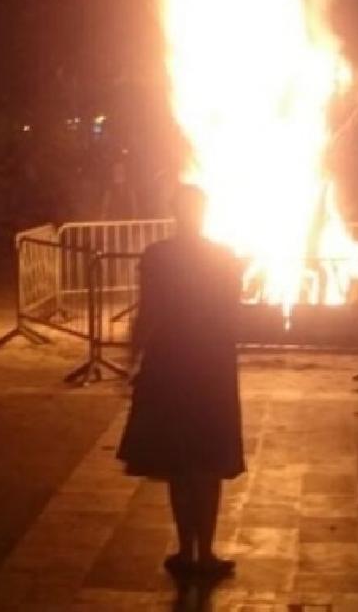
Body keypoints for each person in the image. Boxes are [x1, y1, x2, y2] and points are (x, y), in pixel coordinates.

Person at [117, 185, 244, 579]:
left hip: (171, 360)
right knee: (207, 458)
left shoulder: (158, 256)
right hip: (210, 362)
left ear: (174, 212)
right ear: (203, 212)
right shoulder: (223, 256)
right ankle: (203, 551)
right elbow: (232, 312)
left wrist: (132, 355)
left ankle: (187, 549)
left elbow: (148, 310)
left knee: (180, 460)